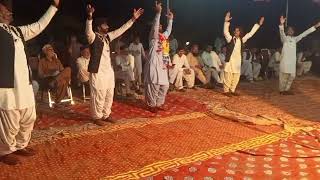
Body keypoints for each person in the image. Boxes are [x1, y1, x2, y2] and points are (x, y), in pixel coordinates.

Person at [0, 0, 60, 165]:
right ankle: (5, 151)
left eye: (9, 9)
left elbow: (39, 25)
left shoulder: (18, 31)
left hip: (24, 83)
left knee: (29, 116)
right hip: (6, 85)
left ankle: (21, 145)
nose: (9, 11)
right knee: (10, 120)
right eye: (5, 8)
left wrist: (53, 7)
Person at [86, 4, 143, 126]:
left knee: (109, 93)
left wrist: (133, 19)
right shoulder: (93, 37)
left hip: (108, 71)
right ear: (99, 27)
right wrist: (90, 16)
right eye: (105, 25)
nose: (108, 26)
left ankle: (106, 115)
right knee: (99, 94)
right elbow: (88, 30)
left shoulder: (107, 37)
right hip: (97, 71)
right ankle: (97, 117)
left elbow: (122, 29)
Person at [223, 12, 264, 96]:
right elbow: (225, 32)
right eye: (235, 30)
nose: (236, 31)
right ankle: (226, 91)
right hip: (230, 61)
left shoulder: (242, 40)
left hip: (237, 61)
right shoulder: (230, 39)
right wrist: (226, 22)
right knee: (228, 75)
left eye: (238, 31)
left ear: (240, 32)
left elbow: (250, 34)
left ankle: (232, 90)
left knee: (236, 76)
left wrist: (258, 25)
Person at [144, 1, 174, 113]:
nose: (160, 26)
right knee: (154, 86)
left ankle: (158, 103)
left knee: (165, 86)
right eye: (158, 25)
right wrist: (158, 13)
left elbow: (168, 31)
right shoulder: (153, 38)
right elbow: (155, 26)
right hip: (153, 64)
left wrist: (170, 20)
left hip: (162, 65)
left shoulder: (163, 38)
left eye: (161, 25)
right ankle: (151, 105)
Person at [278, 16, 320, 95]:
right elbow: (281, 33)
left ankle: (286, 90)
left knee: (292, 76)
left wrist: (315, 26)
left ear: (293, 32)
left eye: (292, 30)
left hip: (292, 62)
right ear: (287, 32)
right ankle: (281, 90)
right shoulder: (284, 39)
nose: (290, 31)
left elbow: (304, 33)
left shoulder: (295, 39)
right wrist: (281, 24)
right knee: (283, 76)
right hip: (285, 61)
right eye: (289, 30)